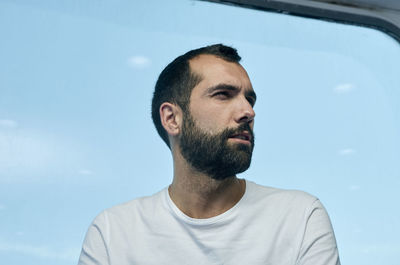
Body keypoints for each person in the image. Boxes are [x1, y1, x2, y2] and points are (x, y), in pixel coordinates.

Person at [78, 44, 340, 265]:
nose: (248, 112)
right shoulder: (114, 233)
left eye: (250, 99)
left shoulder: (299, 217)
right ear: (172, 119)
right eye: (223, 95)